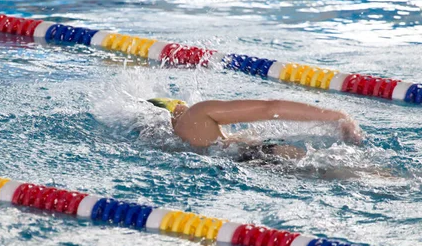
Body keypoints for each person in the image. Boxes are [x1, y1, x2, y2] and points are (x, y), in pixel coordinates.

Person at [147, 98, 363, 161]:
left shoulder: (172, 144)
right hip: (265, 155)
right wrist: (336, 116)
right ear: (173, 109)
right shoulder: (196, 114)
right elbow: (271, 108)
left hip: (252, 164)